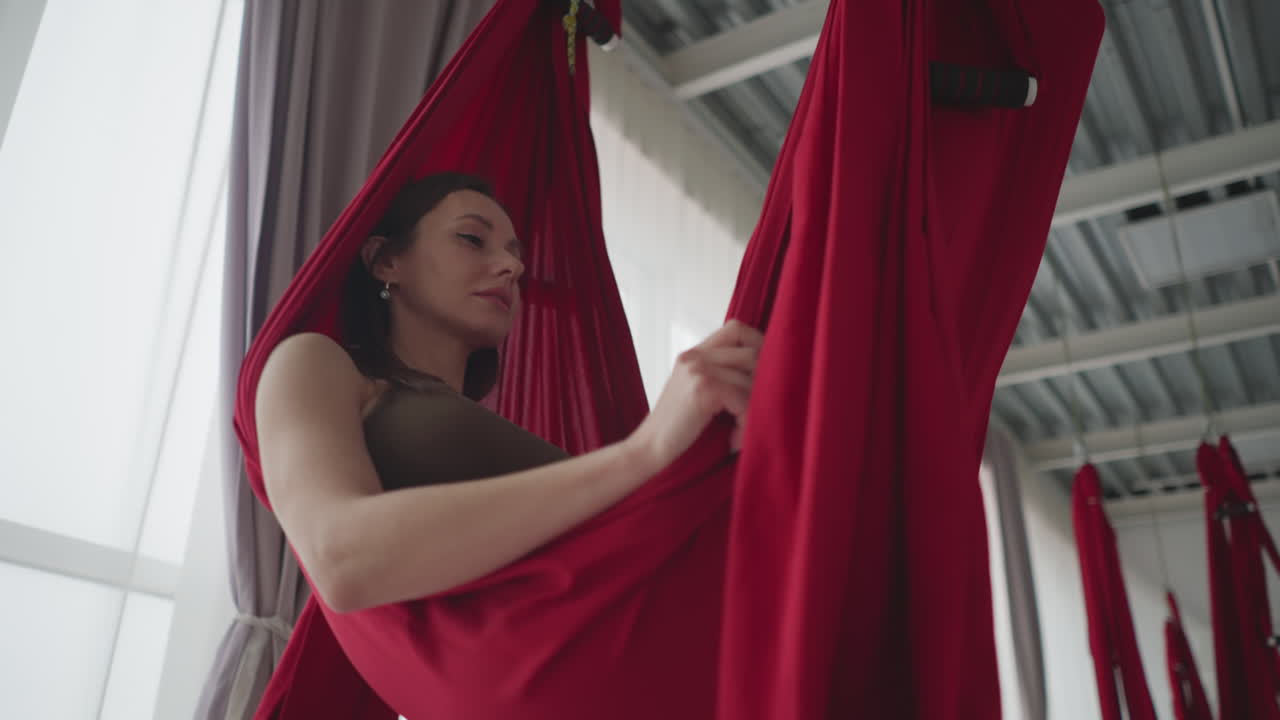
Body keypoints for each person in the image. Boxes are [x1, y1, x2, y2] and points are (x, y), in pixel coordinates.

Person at [253, 172, 763, 614]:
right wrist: (645, 452)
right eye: (473, 239)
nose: (512, 267)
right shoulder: (315, 362)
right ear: (386, 260)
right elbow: (340, 557)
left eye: (516, 255)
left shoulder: (497, 435)